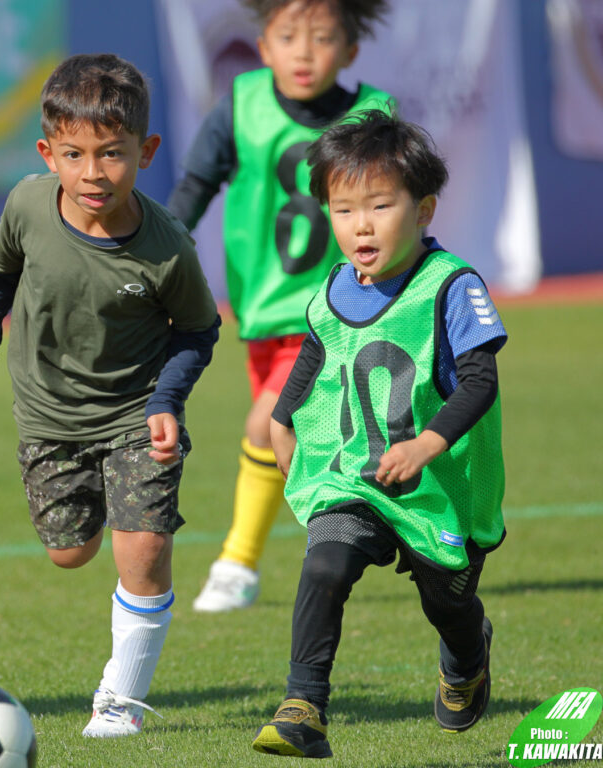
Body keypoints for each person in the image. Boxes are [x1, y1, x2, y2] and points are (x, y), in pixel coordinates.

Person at [0, 53, 221, 738]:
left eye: (112, 154)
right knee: (70, 552)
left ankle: (119, 702)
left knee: (145, 549)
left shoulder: (168, 247)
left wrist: (166, 401)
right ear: (48, 154)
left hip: (137, 415)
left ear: (146, 152)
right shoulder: (26, 207)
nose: (93, 173)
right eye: (74, 155)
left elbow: (198, 331)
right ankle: (101, 508)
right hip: (49, 416)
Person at [252, 109, 506, 759]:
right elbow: (317, 350)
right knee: (325, 563)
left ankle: (467, 657)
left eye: (379, 206)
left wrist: (427, 445)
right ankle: (303, 706)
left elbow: (480, 381)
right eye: (343, 210)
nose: (360, 225)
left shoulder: (450, 286)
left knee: (447, 604)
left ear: (423, 210)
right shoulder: (335, 285)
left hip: (438, 488)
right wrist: (281, 419)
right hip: (357, 474)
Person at [168, 0, 395, 613]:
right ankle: (363, 535)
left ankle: (236, 564)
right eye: (288, 36)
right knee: (295, 444)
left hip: (337, 315)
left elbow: (402, 205)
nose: (304, 51)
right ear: (263, 47)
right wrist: (157, 253)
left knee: (266, 424)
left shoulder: (374, 116)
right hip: (261, 315)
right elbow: (195, 187)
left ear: (350, 51)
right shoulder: (241, 105)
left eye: (322, 38)